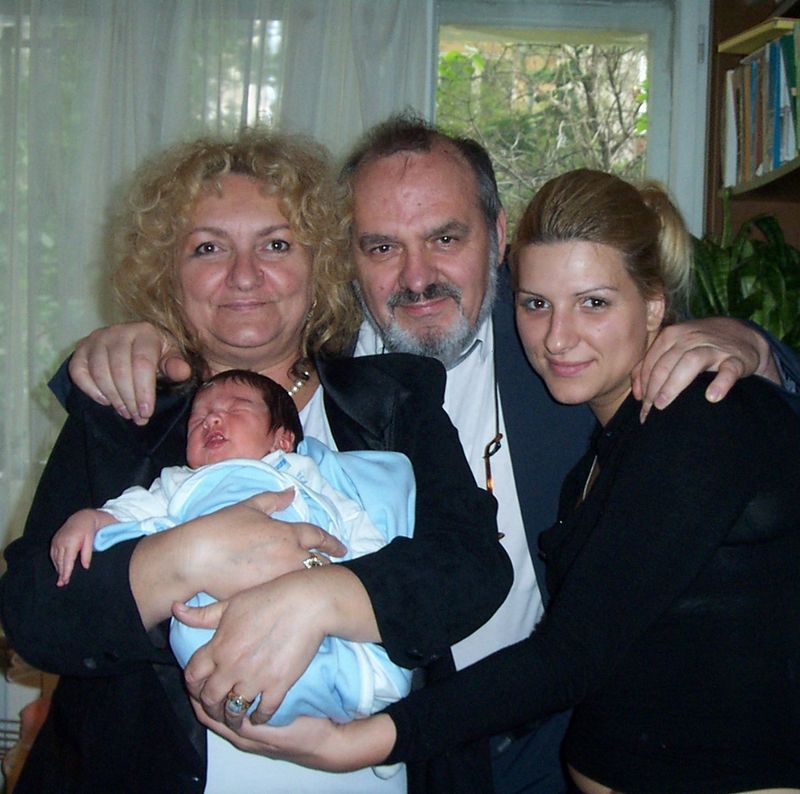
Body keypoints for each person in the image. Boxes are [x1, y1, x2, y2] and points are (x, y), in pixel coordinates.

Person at [65, 115, 800, 792]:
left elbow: (673, 356)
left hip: (556, 739)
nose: (416, 277)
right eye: (382, 247)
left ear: (498, 236)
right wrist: (131, 340)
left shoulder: (557, 336)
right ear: (345, 256)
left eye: (446, 238)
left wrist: (753, 345)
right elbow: (231, 318)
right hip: (425, 755)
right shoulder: (328, 369)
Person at [0, 128, 511, 793]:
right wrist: (185, 558)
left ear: (321, 264)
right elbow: (34, 613)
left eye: (276, 244)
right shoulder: (124, 411)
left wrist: (322, 597)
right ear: (168, 273)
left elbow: (472, 566)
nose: (244, 276)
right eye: (208, 247)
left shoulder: (392, 398)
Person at [49, 368, 415, 734]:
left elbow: (352, 521)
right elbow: (133, 510)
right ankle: (293, 699)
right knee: (189, 632)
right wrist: (93, 519)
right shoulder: (180, 482)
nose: (211, 419)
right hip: (216, 615)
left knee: (356, 643)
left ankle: (362, 686)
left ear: (282, 439)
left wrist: (364, 573)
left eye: (237, 408)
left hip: (308, 592)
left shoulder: (300, 472)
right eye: (198, 418)